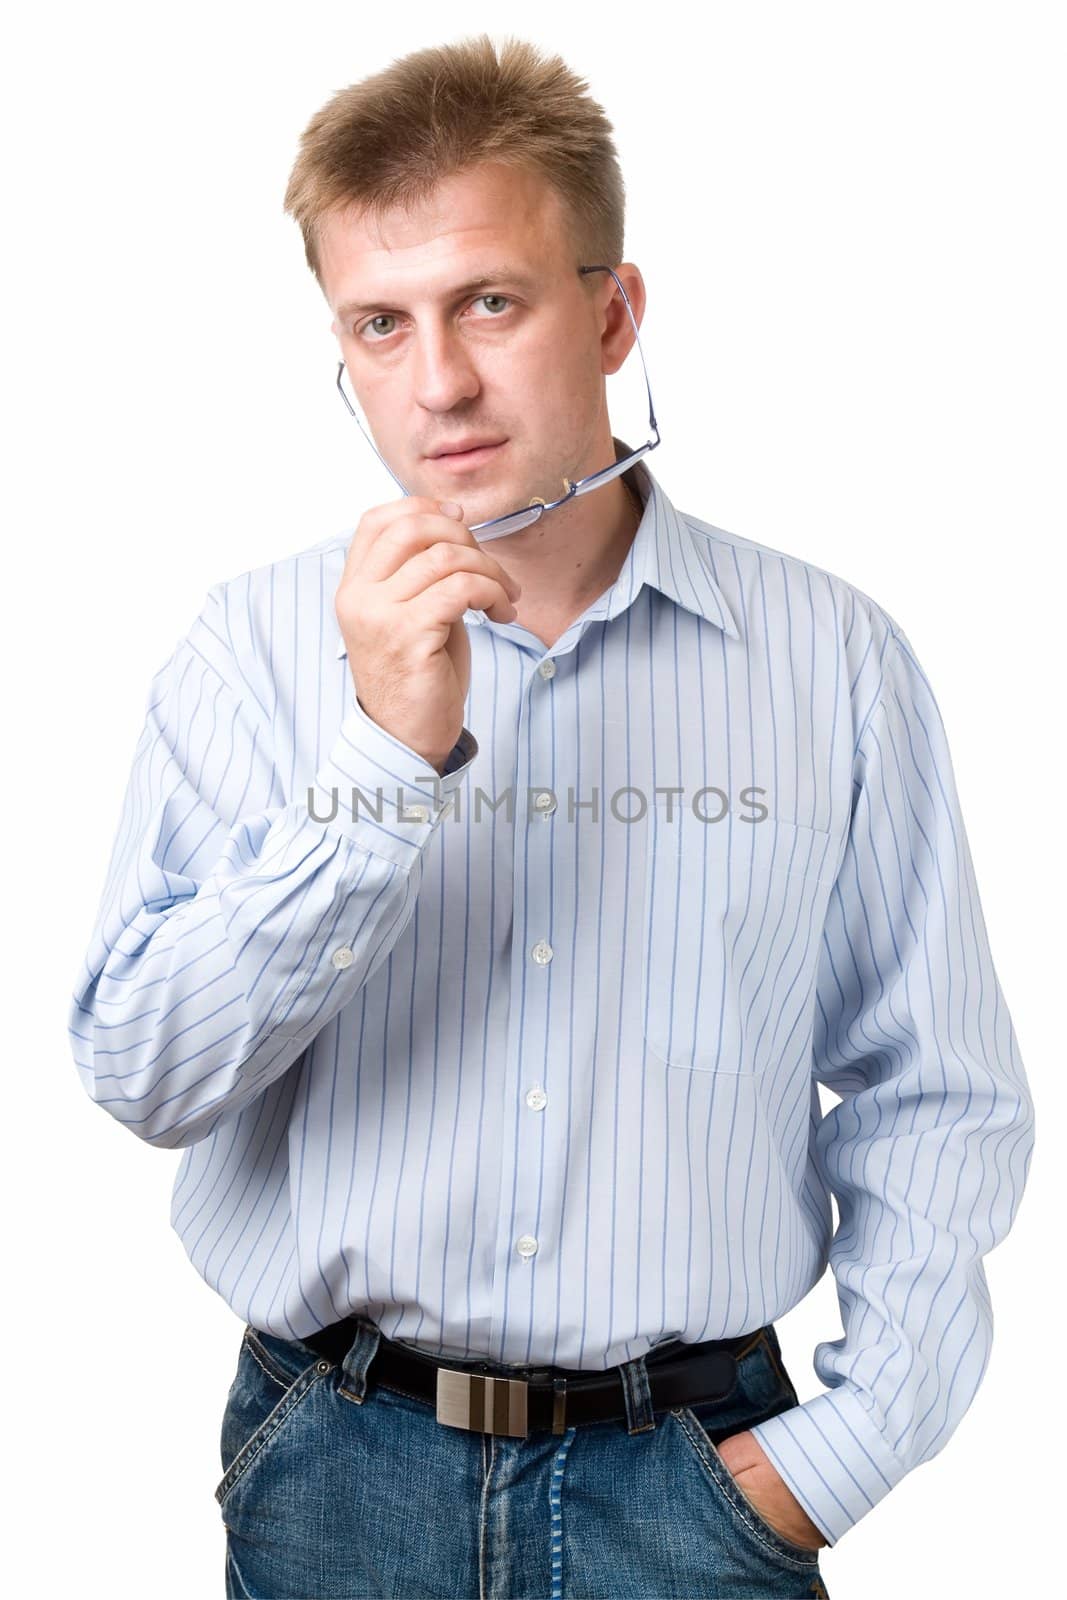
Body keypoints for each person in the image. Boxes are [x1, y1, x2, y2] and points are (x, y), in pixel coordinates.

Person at [68, 31, 1035, 1600]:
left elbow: (938, 1094)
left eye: (489, 304)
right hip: (337, 1472)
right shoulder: (246, 656)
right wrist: (380, 758)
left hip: (697, 1487)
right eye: (380, 325)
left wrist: (840, 1457)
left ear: (614, 310)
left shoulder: (831, 658)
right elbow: (142, 1073)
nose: (436, 380)